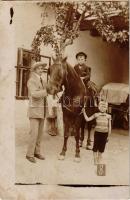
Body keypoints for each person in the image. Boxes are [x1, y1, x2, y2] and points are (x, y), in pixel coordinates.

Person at [26, 61, 48, 163]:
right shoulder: (31, 80)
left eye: (42, 68)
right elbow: (34, 94)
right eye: (39, 68)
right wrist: (46, 92)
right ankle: (29, 154)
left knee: (39, 134)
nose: (42, 70)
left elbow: (48, 89)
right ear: (35, 69)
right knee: (33, 133)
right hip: (34, 111)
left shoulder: (43, 80)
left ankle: (37, 152)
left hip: (42, 110)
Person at [82, 100, 111, 165]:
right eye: (101, 106)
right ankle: (95, 160)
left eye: (104, 106)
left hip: (105, 134)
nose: (103, 108)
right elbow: (87, 119)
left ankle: (99, 158)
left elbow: (109, 127)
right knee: (95, 147)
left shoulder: (108, 116)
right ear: (99, 107)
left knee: (102, 148)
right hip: (97, 133)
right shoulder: (96, 115)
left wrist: (108, 136)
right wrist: (84, 112)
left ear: (106, 108)